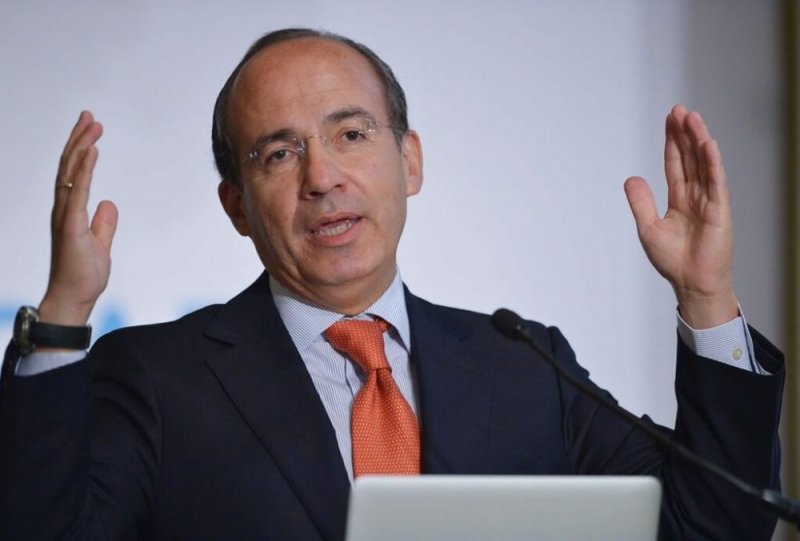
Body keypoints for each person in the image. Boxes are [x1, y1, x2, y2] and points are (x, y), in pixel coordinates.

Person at [0, 28, 784, 540]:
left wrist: (706, 300)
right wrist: (64, 314)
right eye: (279, 153)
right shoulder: (154, 377)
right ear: (237, 205)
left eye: (351, 133)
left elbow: (714, 527)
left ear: (409, 161)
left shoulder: (523, 365)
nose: (322, 178)